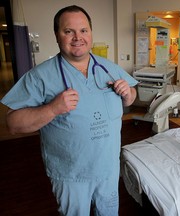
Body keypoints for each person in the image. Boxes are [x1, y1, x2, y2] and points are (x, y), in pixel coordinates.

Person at [1, 5, 138, 216]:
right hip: (72, 175)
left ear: (91, 33)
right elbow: (13, 123)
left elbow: (132, 95)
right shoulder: (40, 76)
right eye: (68, 31)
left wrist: (129, 94)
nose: (77, 37)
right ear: (57, 35)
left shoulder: (108, 67)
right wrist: (52, 108)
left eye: (83, 30)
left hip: (108, 170)